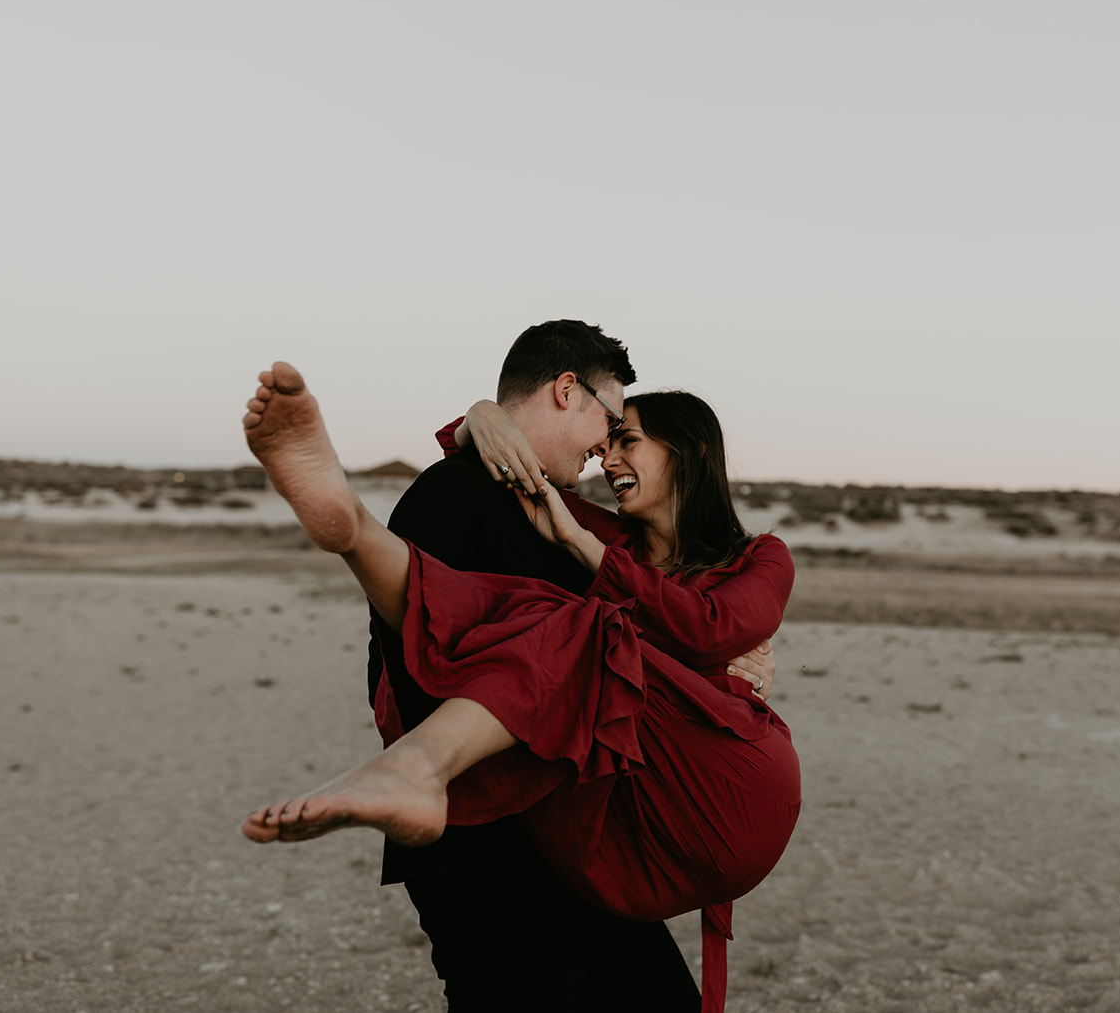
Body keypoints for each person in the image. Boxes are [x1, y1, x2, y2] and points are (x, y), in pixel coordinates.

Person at [238, 353, 799, 1013]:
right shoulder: (615, 539)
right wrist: (478, 418)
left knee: (587, 626)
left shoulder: (759, 556)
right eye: (609, 435)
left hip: (732, 789)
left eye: (629, 439)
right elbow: (505, 485)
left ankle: (418, 764)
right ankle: (353, 530)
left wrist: (586, 550)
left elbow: (712, 627)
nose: (608, 455)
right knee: (520, 606)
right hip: (634, 805)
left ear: (691, 450)